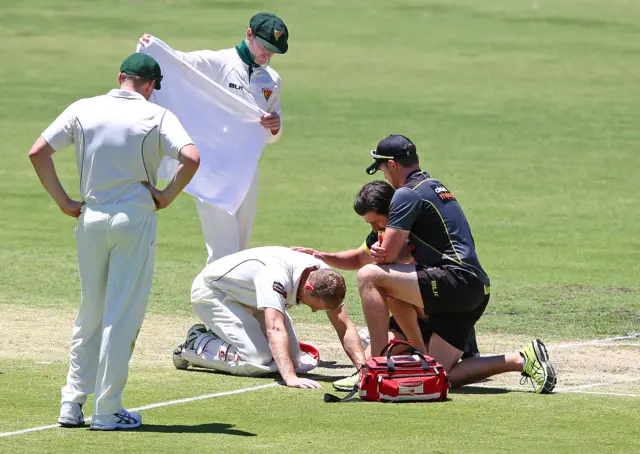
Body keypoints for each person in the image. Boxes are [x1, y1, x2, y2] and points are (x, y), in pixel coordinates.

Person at [28, 53, 200, 430]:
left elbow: (38, 152)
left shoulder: (84, 107)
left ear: (120, 76)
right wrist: (167, 196)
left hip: (90, 217)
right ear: (151, 86)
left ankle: (71, 404)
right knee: (121, 315)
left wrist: (63, 202)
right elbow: (190, 157)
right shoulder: (158, 116)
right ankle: (106, 411)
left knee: (90, 311)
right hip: (134, 218)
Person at [356, 134, 556, 393]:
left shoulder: (406, 194)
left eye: (382, 168)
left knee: (370, 276)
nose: (384, 175)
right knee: (439, 376)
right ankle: (521, 359)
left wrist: (378, 251)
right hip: (476, 287)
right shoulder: (433, 185)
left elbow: (389, 257)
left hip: (455, 280)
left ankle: (376, 365)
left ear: (392, 165)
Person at [293, 181, 482, 389]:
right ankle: (404, 356)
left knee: (380, 281)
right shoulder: (384, 231)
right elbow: (357, 259)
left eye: (376, 221)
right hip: (415, 314)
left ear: (391, 211)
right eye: (369, 224)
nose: (374, 228)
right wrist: (321, 256)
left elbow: (416, 266)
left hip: (439, 305)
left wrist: (388, 258)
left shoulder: (415, 223)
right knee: (372, 361)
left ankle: (406, 357)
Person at [139, 12, 287, 264]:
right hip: (211, 170)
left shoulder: (271, 80)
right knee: (223, 250)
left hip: (246, 170)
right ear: (249, 34)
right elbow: (178, 65)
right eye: (265, 46)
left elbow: (272, 135)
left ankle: (230, 299)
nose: (268, 54)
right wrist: (153, 48)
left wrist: (275, 126)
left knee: (240, 247)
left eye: (274, 50)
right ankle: (213, 301)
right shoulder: (217, 62)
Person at [172, 246, 366, 389]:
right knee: (259, 359)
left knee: (296, 360)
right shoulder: (276, 276)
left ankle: (230, 339)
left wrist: (363, 370)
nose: (315, 311)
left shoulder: (324, 276)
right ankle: (195, 342)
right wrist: (290, 378)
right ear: (308, 288)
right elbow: (275, 328)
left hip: (251, 298)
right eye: (317, 306)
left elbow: (345, 326)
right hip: (214, 293)